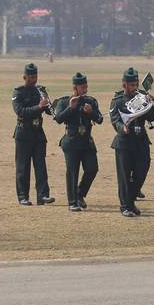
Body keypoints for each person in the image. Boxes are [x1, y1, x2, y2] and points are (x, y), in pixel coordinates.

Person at [110, 67, 154, 217]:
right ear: (124, 84)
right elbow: (115, 120)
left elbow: (151, 118)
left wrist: (150, 103)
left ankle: (130, 201)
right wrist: (121, 128)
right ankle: (126, 206)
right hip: (124, 142)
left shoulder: (142, 96)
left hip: (141, 140)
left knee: (142, 171)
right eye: (131, 85)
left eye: (136, 84)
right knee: (124, 176)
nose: (134, 87)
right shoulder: (117, 100)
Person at [53, 72, 102, 211]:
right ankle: (72, 202)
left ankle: (80, 194)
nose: (85, 89)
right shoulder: (64, 101)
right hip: (72, 141)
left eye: (86, 86)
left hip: (87, 141)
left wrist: (91, 112)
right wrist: (71, 108)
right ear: (75, 87)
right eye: (82, 87)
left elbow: (99, 119)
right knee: (72, 171)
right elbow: (58, 119)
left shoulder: (91, 101)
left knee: (92, 169)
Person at [11, 62, 54, 206]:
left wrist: (49, 104)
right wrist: (38, 107)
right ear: (24, 77)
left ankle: (43, 195)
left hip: (38, 134)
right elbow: (21, 112)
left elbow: (49, 111)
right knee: (23, 167)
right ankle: (23, 196)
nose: (34, 80)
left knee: (41, 166)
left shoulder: (40, 90)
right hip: (23, 133)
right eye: (31, 77)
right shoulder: (18, 92)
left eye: (35, 77)